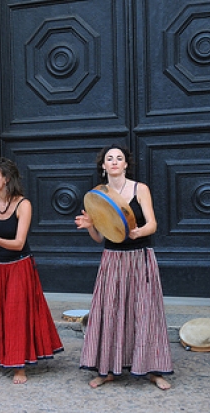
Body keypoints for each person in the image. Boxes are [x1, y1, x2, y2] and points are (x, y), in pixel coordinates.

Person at [75, 145, 173, 389]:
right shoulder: (98, 195)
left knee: (146, 312)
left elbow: (152, 224)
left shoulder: (140, 189)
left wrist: (136, 232)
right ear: (103, 165)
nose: (115, 162)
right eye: (110, 159)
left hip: (140, 256)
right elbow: (99, 237)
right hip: (113, 259)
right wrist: (89, 225)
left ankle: (153, 369)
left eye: (119, 158)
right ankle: (108, 369)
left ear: (126, 164)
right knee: (110, 312)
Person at [0, 157, 63, 384]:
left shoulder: (23, 204)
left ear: (6, 179)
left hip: (19, 266)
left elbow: (19, 243)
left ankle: (19, 366)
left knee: (16, 316)